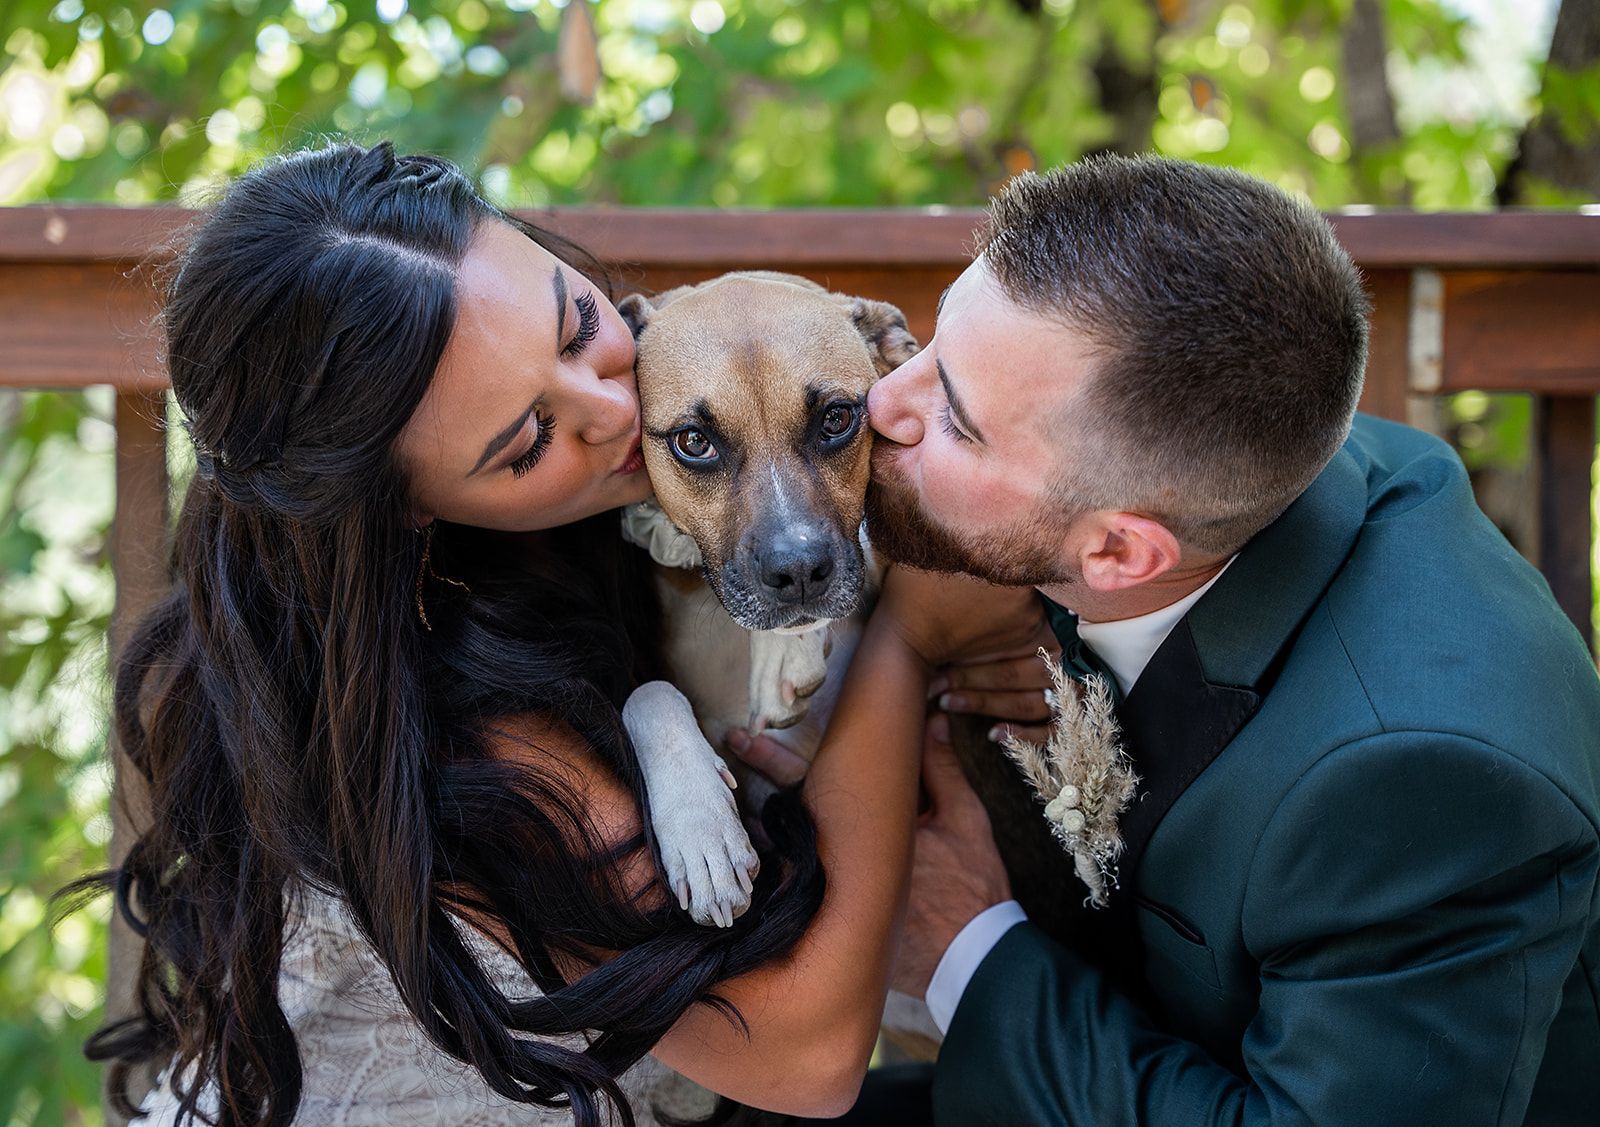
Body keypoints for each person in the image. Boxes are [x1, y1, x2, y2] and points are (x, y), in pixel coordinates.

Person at [75, 141, 1046, 1127]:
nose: (615, 407)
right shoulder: (462, 737)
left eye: (576, 323)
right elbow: (805, 1057)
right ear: (410, 511)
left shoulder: (590, 512)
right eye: (528, 436)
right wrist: (906, 646)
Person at [859, 156, 1600, 1124]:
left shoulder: (1423, 781)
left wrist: (967, 944)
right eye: (930, 339)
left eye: (952, 420)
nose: (881, 403)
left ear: (1120, 550)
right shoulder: (1263, 452)